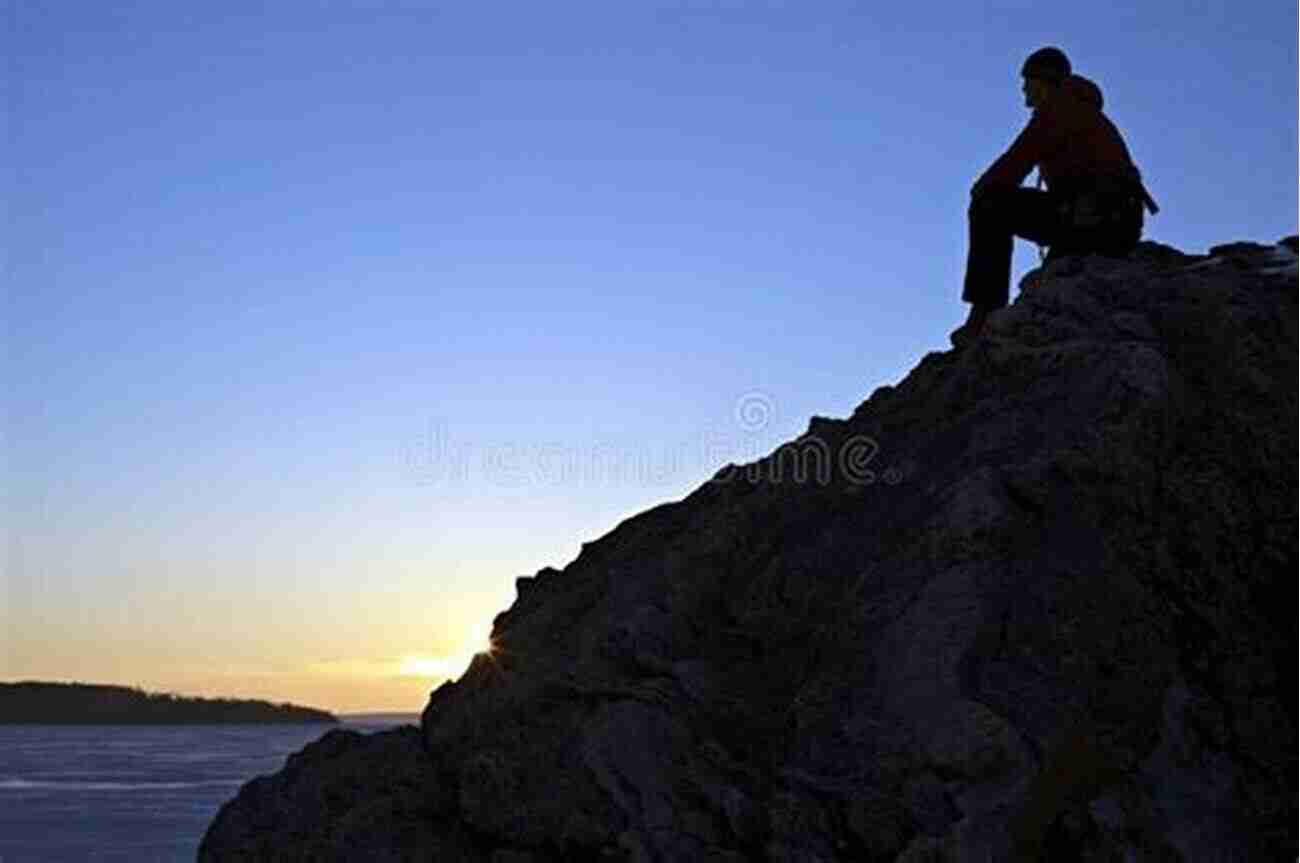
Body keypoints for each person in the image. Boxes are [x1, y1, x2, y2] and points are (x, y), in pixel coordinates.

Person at [951, 47, 1158, 347]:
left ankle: (985, 309)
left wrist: (980, 188)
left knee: (989, 204)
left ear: (1043, 81)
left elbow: (1015, 163)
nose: (1024, 89)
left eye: (1028, 81)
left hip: (1095, 217)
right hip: (1113, 224)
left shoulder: (1059, 108)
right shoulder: (1081, 111)